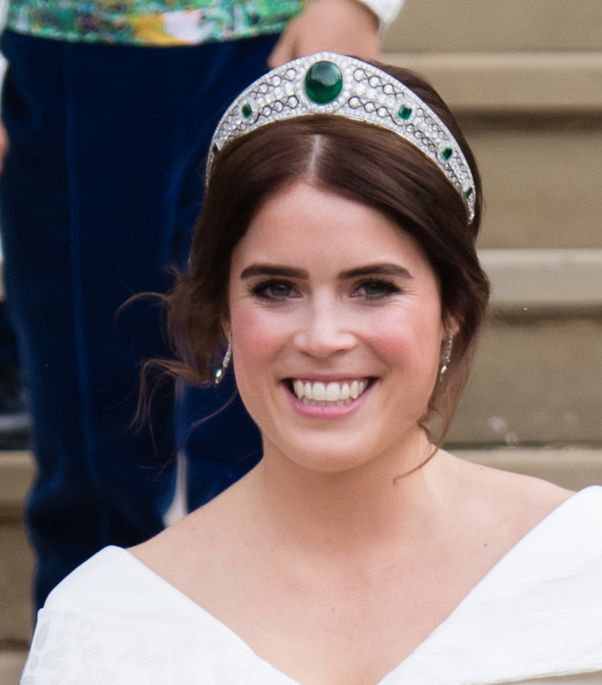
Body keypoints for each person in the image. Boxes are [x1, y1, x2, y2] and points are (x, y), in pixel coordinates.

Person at [1, 52, 602, 685]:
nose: (322, 337)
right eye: (275, 288)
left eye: (374, 286)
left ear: (450, 314)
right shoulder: (110, 619)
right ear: (223, 314)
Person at [0, 0, 402, 612]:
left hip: (267, 43)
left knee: (271, 410)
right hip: (65, 56)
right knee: (89, 417)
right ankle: (92, 673)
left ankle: (276, 649)